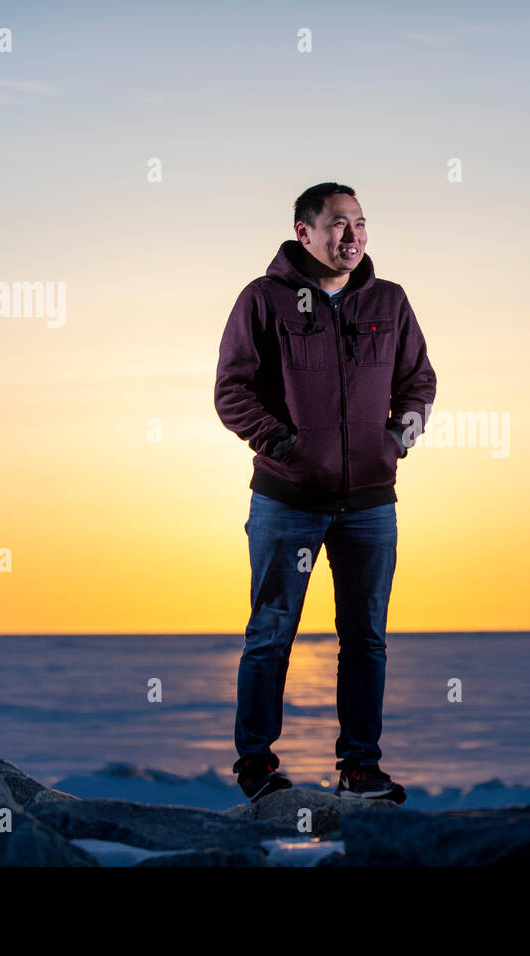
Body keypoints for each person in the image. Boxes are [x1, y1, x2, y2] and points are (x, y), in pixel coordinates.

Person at [214, 182, 437, 802]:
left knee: (365, 638)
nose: (352, 235)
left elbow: (419, 380)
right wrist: (282, 445)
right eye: (338, 223)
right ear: (304, 230)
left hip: (370, 503)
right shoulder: (263, 301)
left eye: (361, 223)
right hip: (287, 501)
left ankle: (359, 768)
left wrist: (399, 438)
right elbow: (232, 390)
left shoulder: (388, 302)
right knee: (271, 633)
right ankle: (257, 766)